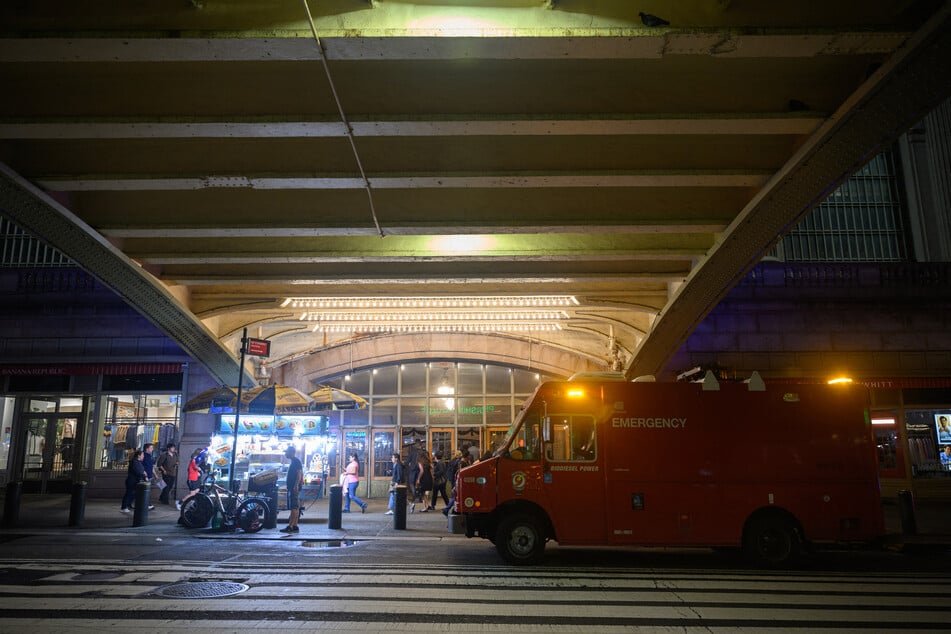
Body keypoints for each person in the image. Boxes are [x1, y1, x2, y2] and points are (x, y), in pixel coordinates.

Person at [281, 446, 304, 533]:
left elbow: (299, 473)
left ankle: (290, 526)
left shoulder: (296, 461)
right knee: (296, 507)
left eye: (287, 452)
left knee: (294, 507)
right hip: (293, 487)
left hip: (294, 488)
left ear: (291, 453)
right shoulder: (294, 461)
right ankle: (295, 525)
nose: (285, 454)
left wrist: (296, 485)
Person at [178, 447, 206, 511]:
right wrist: (200, 469)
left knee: (196, 492)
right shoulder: (193, 461)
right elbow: (196, 468)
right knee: (192, 494)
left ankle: (191, 504)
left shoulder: (197, 461)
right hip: (192, 480)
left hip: (196, 480)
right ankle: (180, 502)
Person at [120, 449, 146, 513]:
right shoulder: (134, 462)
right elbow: (138, 471)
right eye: (142, 455)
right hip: (131, 481)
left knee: (133, 494)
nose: (143, 456)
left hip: (136, 481)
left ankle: (129, 505)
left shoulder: (138, 462)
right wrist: (144, 475)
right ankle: (124, 507)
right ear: (138, 456)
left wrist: (144, 473)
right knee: (129, 493)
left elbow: (141, 470)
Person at [141, 442, 156, 510]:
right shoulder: (142, 455)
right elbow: (141, 467)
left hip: (150, 476)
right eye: (151, 448)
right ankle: (147, 504)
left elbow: (151, 466)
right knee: (145, 491)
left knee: (147, 491)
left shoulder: (150, 456)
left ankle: (147, 504)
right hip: (145, 477)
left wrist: (155, 474)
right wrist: (145, 476)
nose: (152, 449)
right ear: (147, 449)